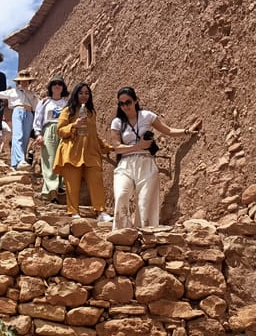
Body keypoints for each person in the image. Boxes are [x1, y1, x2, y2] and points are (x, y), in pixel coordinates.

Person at [109, 86, 200, 228]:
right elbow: (116, 147)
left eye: (128, 102)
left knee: (145, 203)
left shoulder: (147, 116)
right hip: (126, 164)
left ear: (135, 100)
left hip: (146, 163)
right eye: (121, 104)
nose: (125, 106)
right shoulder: (117, 122)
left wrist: (187, 131)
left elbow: (168, 130)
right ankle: (122, 234)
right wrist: (139, 146)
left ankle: (144, 236)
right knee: (121, 195)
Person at [53, 83, 113, 222]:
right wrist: (74, 125)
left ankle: (101, 211)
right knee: (72, 185)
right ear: (76, 94)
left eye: (87, 93)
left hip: (90, 152)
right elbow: (60, 131)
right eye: (81, 93)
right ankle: (73, 212)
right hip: (72, 151)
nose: (84, 95)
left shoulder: (92, 113)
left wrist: (106, 147)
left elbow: (93, 134)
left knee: (96, 181)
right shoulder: (68, 111)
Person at [33, 76, 69, 201]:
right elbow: (38, 119)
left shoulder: (66, 103)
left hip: (64, 131)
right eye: (54, 84)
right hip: (49, 130)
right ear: (51, 87)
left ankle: (60, 185)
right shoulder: (44, 103)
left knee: (63, 159)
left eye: (60, 84)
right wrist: (38, 134)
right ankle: (52, 189)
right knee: (50, 159)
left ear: (63, 87)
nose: (57, 86)